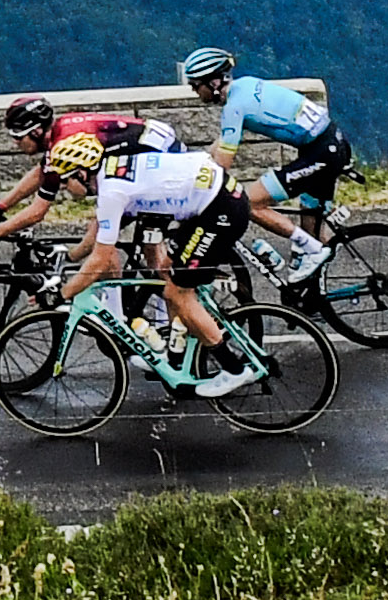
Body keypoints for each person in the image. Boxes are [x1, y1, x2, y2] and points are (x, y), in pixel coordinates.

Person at [44, 113, 258, 395]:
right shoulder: (110, 168)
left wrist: (63, 294)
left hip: (219, 210)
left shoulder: (111, 191)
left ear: (81, 173)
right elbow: (97, 241)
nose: (63, 189)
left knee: (177, 294)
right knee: (166, 269)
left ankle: (233, 369)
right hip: (211, 200)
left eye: (64, 181)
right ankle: (176, 352)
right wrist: (73, 258)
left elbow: (98, 261)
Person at [185, 48, 346, 281]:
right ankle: (314, 301)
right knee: (312, 227)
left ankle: (313, 251)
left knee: (250, 204)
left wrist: (201, 188)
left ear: (214, 82)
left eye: (195, 85)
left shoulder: (234, 107)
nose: (194, 91)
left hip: (321, 152)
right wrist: (194, 163)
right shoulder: (245, 85)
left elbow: (222, 167)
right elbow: (222, 142)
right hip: (329, 143)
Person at [0, 95, 130, 251]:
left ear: (36, 132)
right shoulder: (61, 131)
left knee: (98, 235)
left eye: (18, 136)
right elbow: (40, 173)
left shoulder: (61, 150)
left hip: (146, 170)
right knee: (124, 240)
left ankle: (107, 275)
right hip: (145, 158)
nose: (15, 142)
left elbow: (37, 212)